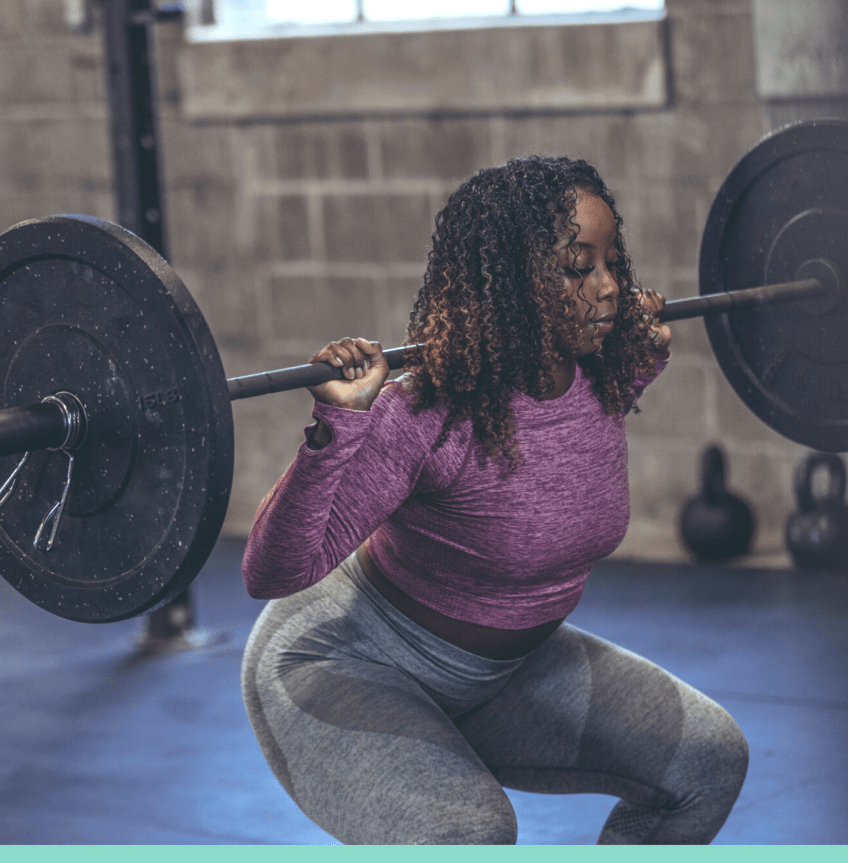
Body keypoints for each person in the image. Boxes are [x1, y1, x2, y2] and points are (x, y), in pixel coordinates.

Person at [240, 156, 748, 845]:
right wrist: (339, 427)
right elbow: (271, 571)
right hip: (344, 659)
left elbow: (559, 440)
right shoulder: (423, 413)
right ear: (512, 283)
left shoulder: (601, 375)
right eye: (576, 267)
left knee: (708, 760)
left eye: (610, 262)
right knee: (467, 835)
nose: (607, 288)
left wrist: (642, 349)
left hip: (503, 676)